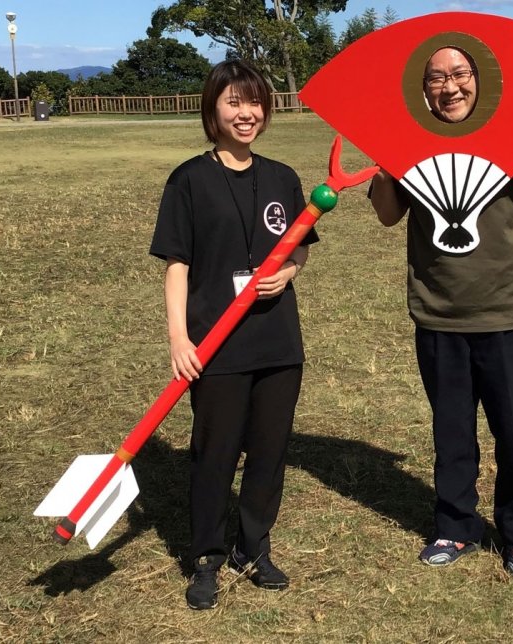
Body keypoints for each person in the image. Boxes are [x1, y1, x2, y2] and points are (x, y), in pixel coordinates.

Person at [369, 46, 513, 578]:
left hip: (507, 310)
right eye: (436, 78)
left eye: (459, 75)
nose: (449, 87)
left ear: (478, 81)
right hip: (438, 311)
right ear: (424, 88)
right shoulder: (406, 138)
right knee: (451, 428)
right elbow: (388, 216)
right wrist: (386, 172)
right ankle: (455, 526)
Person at [149, 60, 318, 610]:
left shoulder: (283, 177)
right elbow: (177, 264)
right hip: (214, 345)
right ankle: (207, 556)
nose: (246, 114)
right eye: (233, 103)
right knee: (214, 452)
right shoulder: (189, 180)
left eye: (255, 103)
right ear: (213, 110)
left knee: (269, 452)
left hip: (277, 344)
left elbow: (299, 245)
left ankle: (254, 546)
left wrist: (286, 274)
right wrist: (179, 339)